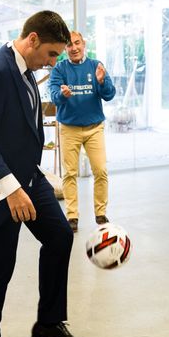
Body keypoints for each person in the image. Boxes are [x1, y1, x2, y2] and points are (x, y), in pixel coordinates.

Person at [0, 11, 92, 337]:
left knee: (60, 236)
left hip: (29, 177)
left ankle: (48, 322)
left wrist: (37, 175)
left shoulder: (25, 71)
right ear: (32, 39)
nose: (53, 62)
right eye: (51, 54)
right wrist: (11, 189)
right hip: (0, 186)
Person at [48, 31, 116, 232]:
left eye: (77, 43)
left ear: (83, 44)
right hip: (69, 129)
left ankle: (101, 213)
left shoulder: (96, 66)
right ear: (65, 48)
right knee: (69, 174)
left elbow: (110, 95)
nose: (74, 48)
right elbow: (53, 95)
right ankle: (72, 217)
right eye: (69, 45)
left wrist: (102, 82)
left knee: (101, 171)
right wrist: (62, 94)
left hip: (94, 128)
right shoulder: (60, 69)